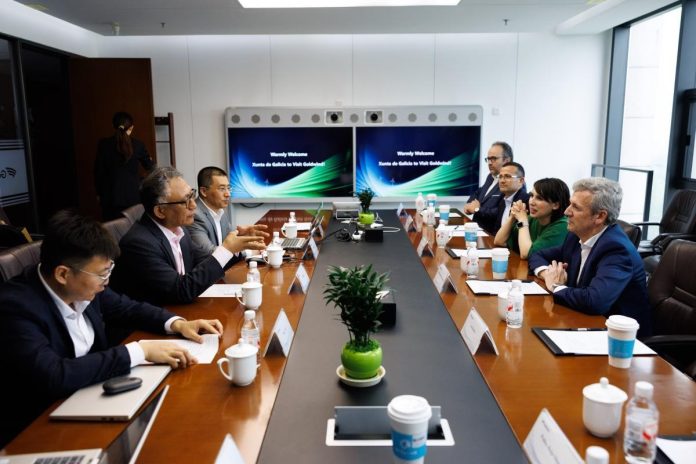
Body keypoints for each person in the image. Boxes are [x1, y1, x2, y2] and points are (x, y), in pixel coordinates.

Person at [0, 210, 223, 447]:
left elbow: (127, 308)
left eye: (109, 270)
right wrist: (139, 351)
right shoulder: (15, 308)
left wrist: (178, 323)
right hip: (40, 432)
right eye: (101, 274)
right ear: (63, 274)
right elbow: (54, 374)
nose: (106, 281)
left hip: (93, 401)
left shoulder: (84, 285)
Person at [110, 167, 266, 305]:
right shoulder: (139, 244)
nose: (193, 205)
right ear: (160, 211)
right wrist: (227, 249)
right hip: (151, 323)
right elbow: (181, 290)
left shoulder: (179, 230)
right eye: (185, 201)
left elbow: (205, 259)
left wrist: (237, 246)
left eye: (192, 195)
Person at [529, 178, 652, 337]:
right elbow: (537, 255)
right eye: (569, 204)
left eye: (575, 207)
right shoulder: (576, 235)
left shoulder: (616, 250)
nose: (566, 212)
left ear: (600, 216)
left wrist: (555, 286)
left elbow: (595, 301)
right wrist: (547, 274)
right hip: (580, 320)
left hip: (618, 338)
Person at [187, 166, 268, 254]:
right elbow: (209, 253)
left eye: (228, 188)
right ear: (204, 191)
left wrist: (241, 234)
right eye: (222, 189)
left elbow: (229, 243)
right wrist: (249, 252)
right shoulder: (194, 215)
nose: (228, 194)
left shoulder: (219, 211)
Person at [95, 112, 155, 220]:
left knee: (111, 228)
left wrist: (99, 193)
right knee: (134, 227)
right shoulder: (138, 145)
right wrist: (141, 180)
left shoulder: (103, 144)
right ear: (131, 127)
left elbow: (98, 172)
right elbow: (151, 167)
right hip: (133, 196)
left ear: (113, 126)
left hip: (110, 197)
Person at [494, 178, 570, 259]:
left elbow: (526, 254)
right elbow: (499, 241)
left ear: (555, 205)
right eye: (531, 196)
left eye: (539, 198)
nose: (531, 202)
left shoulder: (562, 226)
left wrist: (522, 220)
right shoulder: (532, 219)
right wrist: (512, 217)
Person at [464, 142, 514, 232]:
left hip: (492, 234)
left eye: (494, 159)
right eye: (488, 159)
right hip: (477, 229)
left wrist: (477, 209)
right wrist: (469, 205)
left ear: (507, 160)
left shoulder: (514, 182)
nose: (490, 163)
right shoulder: (491, 177)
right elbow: (479, 192)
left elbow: (502, 213)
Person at [485, 161, 529, 235]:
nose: (502, 181)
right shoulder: (502, 199)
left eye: (507, 176)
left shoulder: (526, 202)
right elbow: (497, 229)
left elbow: (519, 229)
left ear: (521, 181)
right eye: (500, 177)